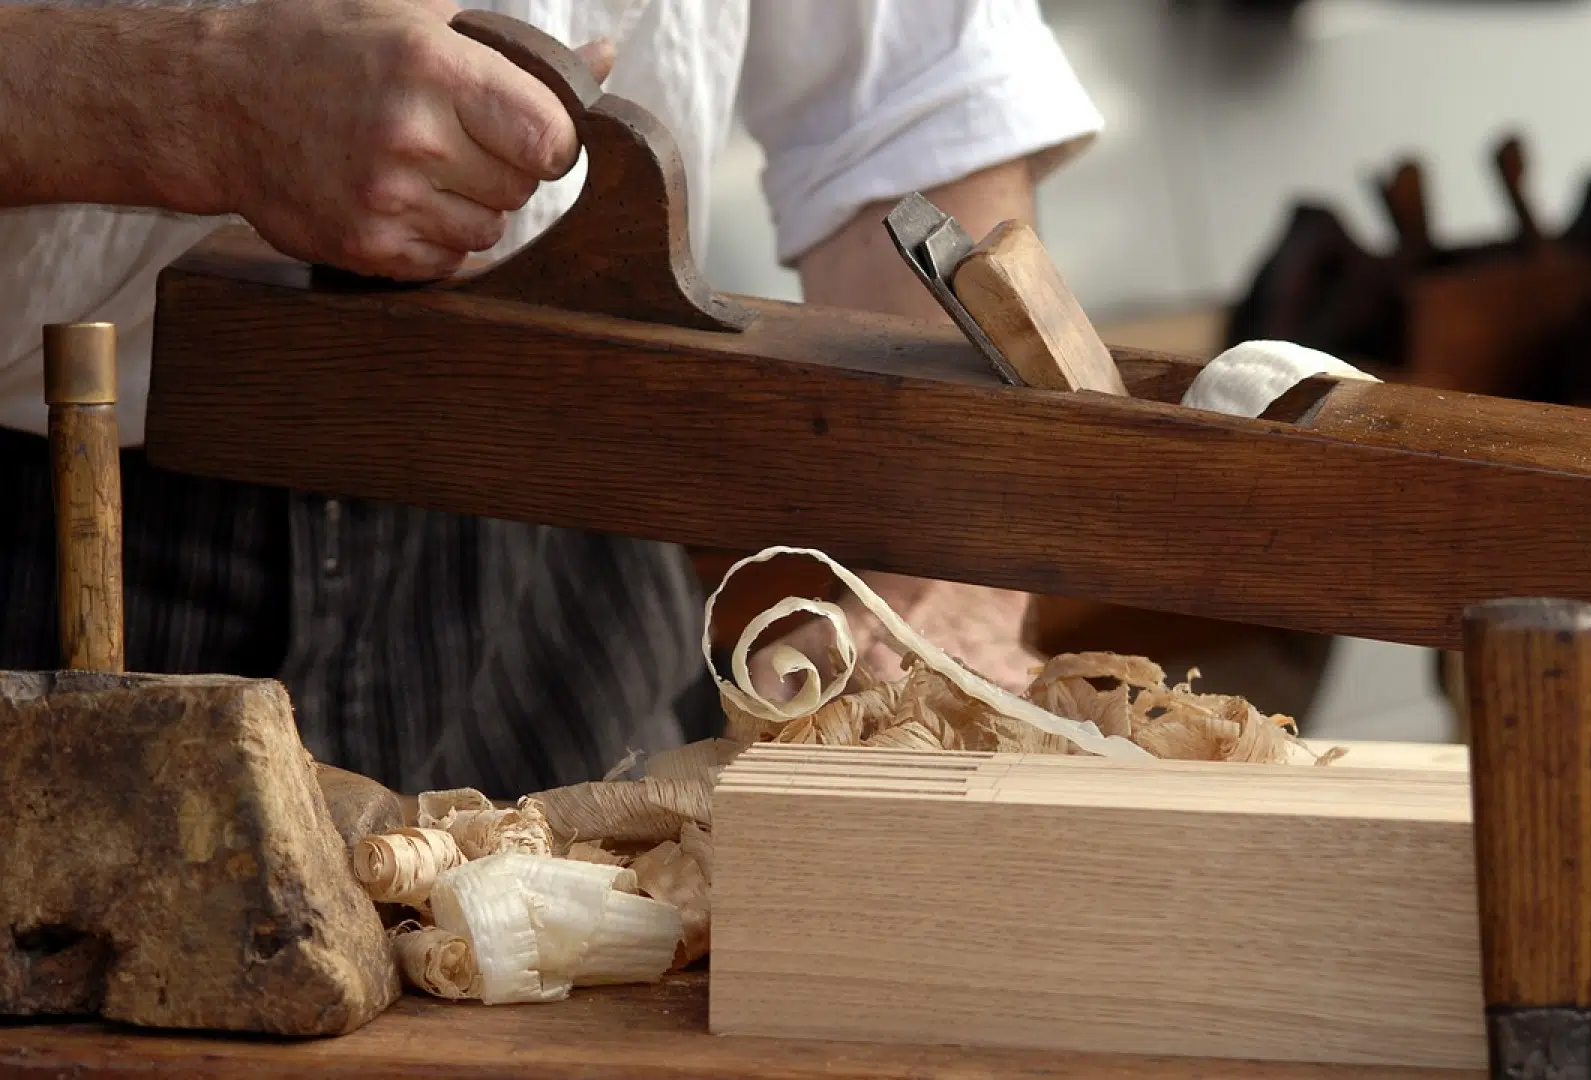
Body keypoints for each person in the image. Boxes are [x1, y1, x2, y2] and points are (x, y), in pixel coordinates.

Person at [0, 0, 1102, 795]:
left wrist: (932, 561)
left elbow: (909, 109)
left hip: (565, 533)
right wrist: (197, 93)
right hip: (69, 527)